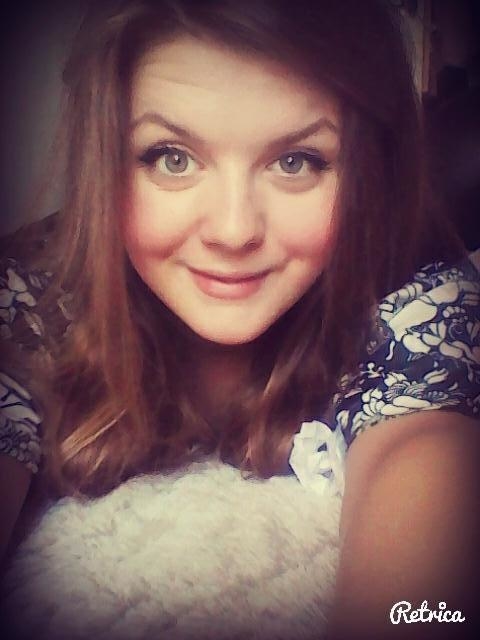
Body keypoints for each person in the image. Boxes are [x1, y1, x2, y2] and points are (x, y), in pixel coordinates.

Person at [1, 0, 479, 637]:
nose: (233, 231)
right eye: (172, 157)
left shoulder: (419, 296)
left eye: (296, 161)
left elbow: (422, 590)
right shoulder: (30, 295)